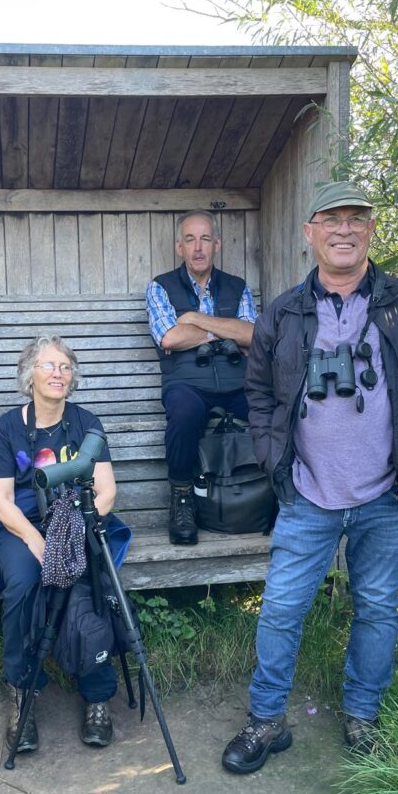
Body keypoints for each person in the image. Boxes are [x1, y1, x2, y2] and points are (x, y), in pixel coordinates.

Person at [221, 181, 398, 774]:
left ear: (371, 230)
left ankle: (362, 718)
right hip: (307, 493)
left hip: (388, 494)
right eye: (331, 219)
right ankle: (267, 720)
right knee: (279, 608)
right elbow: (257, 393)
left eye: (357, 218)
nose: (345, 229)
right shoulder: (283, 311)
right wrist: (275, 461)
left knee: (377, 608)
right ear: (310, 234)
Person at [0, 335, 130, 754]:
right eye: (48, 366)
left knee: (90, 584)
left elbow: (107, 491)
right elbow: (0, 499)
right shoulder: (8, 428)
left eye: (65, 367)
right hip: (23, 526)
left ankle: (97, 693)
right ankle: (23, 691)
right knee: (22, 583)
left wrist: (74, 532)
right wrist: (39, 540)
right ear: (29, 375)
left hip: (78, 520)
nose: (58, 373)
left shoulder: (86, 423)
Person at [146, 210, 257, 545]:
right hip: (187, 385)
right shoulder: (160, 287)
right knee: (184, 411)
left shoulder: (237, 287)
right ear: (180, 247)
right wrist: (224, 333)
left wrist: (195, 319)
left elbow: (252, 336)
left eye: (205, 239)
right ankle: (181, 495)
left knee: (272, 410)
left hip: (237, 383)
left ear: (217, 245)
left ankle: (277, 495)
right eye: (190, 240)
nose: (198, 248)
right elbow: (169, 338)